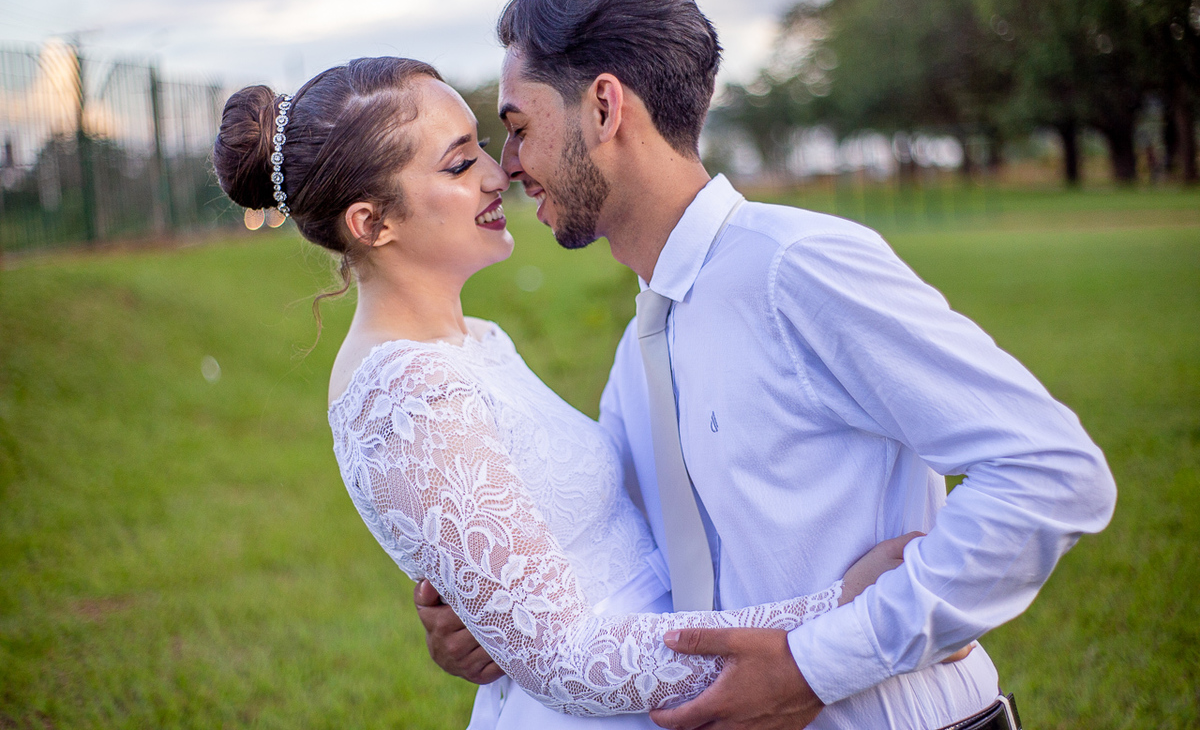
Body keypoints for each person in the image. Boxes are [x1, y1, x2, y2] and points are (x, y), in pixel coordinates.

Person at [419, 0, 1118, 730]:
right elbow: (627, 564)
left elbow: (1053, 470)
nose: (507, 165)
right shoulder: (642, 343)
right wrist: (493, 620)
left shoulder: (797, 269)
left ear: (605, 107)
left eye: (518, 128)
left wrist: (816, 665)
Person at [211, 57, 939, 730]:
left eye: (484, 147)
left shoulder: (473, 343)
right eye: (461, 165)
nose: (501, 175)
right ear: (373, 223)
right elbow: (567, 658)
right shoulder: (409, 396)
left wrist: (480, 620)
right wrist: (842, 611)